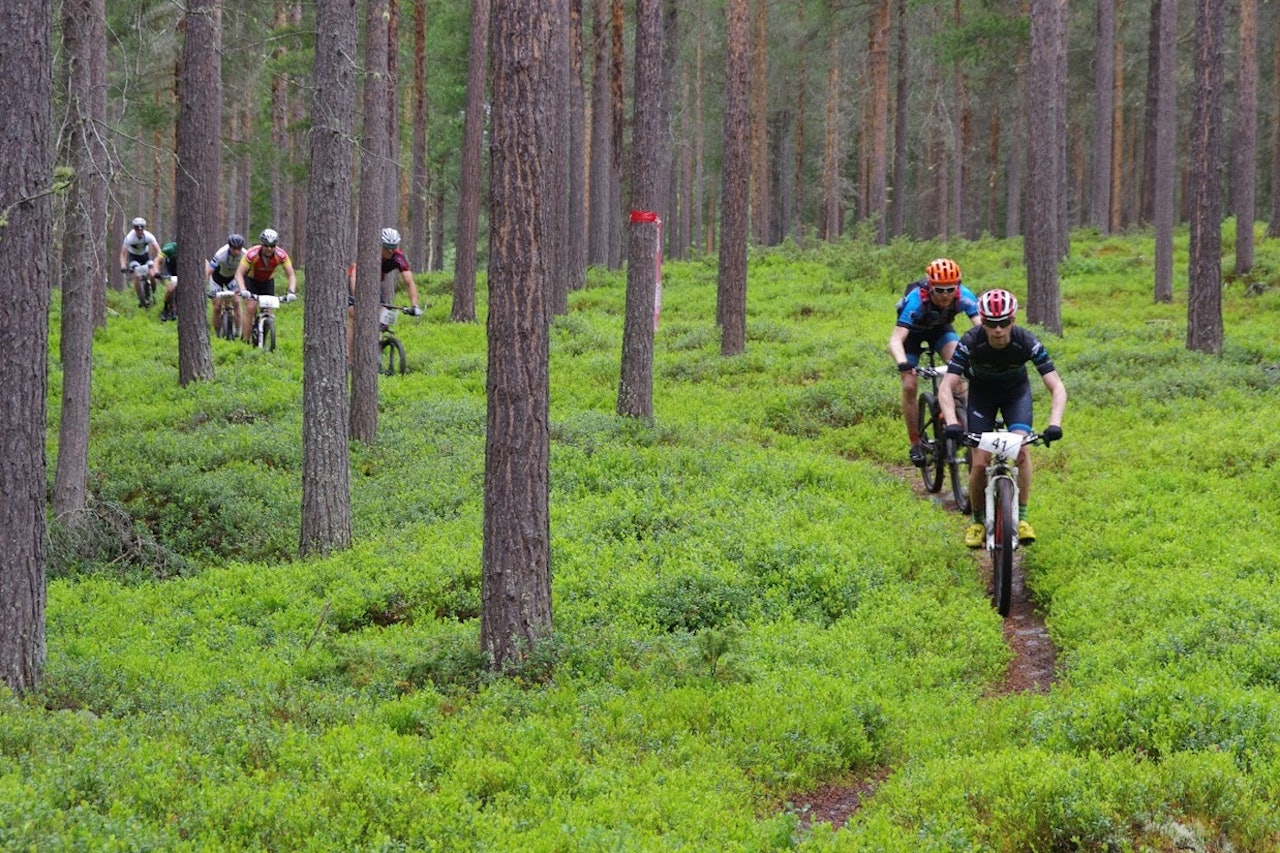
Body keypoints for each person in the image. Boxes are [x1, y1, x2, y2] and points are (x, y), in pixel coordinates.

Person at [939, 289, 1066, 548]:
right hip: (982, 398)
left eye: (1004, 323)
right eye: (991, 324)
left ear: (1013, 320)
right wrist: (952, 421)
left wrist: (1055, 423)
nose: (998, 330)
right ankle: (976, 521)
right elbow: (946, 386)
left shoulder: (1026, 341)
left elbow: (1057, 386)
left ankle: (1022, 518)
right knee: (979, 461)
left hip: (1015, 395)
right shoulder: (971, 341)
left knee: (1022, 450)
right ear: (982, 322)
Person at [888, 257, 980, 467]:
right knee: (909, 385)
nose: (946, 295)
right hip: (912, 336)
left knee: (959, 370)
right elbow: (895, 339)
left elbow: (981, 328)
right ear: (930, 286)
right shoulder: (916, 300)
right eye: (939, 290)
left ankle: (962, 419)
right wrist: (903, 363)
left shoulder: (964, 296)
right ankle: (915, 442)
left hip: (940, 331)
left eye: (950, 289)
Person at [345, 227, 423, 356]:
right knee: (355, 316)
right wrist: (357, 297)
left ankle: (374, 354)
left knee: (383, 317)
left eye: (393, 247)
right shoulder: (370, 252)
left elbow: (409, 282)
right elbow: (354, 276)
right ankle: (349, 360)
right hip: (354, 282)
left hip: (373, 285)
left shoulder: (398, 257)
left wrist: (414, 305)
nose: (390, 251)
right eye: (386, 247)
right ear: (380, 244)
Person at [234, 228, 297, 344]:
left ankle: (264, 335)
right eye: (266, 245)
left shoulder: (281, 255)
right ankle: (245, 341)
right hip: (251, 281)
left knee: (268, 309)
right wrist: (243, 289)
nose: (269, 248)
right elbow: (239, 273)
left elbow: (291, 275)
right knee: (251, 307)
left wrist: (291, 291)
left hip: (267, 282)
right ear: (261, 244)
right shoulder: (252, 254)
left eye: (272, 246)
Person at [207, 233, 247, 335]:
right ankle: (217, 333)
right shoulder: (221, 254)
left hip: (232, 278)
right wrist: (203, 287)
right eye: (234, 249)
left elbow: (248, 273)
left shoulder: (245, 255)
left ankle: (238, 331)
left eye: (239, 248)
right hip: (217, 278)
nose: (237, 251)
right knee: (217, 306)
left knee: (237, 302)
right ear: (230, 247)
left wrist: (244, 288)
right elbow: (209, 271)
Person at [119, 217, 162, 308]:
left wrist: (158, 261)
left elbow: (159, 251)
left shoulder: (149, 236)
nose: (140, 230)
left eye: (142, 227)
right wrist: (123, 266)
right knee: (137, 276)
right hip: (134, 257)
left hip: (145, 256)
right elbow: (122, 254)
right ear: (134, 228)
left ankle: (153, 295)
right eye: (137, 228)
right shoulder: (129, 238)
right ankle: (141, 299)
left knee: (152, 275)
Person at [156, 239, 178, 321]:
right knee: (170, 289)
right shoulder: (169, 248)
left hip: (183, 272)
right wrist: (156, 271)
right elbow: (157, 260)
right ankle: (165, 309)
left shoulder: (191, 248)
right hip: (168, 271)